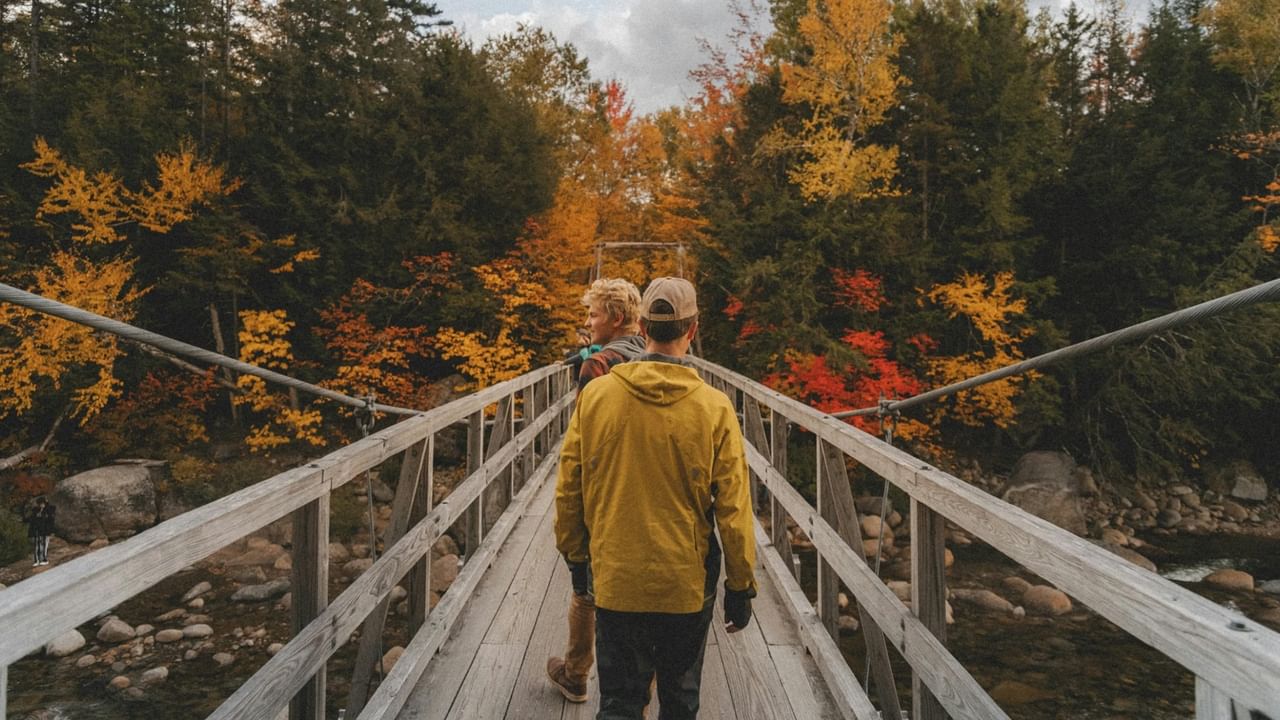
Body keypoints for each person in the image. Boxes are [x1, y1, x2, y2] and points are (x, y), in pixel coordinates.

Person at [555, 277, 757, 719]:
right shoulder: (715, 406)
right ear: (693, 328)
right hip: (685, 584)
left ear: (641, 327)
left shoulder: (596, 396)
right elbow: (734, 508)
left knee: (619, 704)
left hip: (615, 577)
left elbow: (570, 484)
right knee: (680, 701)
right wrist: (740, 586)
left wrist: (576, 559)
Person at [547, 278, 647, 704]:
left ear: (616, 318)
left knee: (585, 586)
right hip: (646, 481)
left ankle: (575, 673)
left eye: (593, 315)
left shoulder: (595, 367)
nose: (587, 323)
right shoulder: (658, 352)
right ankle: (638, 687)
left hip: (603, 485)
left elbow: (582, 440)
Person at [24, 495, 55, 567]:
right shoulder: (35, 511)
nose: (41, 505)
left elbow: (51, 521)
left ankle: (44, 559)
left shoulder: (48, 510)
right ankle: (36, 560)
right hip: (37, 531)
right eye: (40, 503)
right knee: (37, 546)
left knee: (44, 546)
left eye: (43, 503)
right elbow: (31, 519)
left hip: (45, 531)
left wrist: (52, 531)